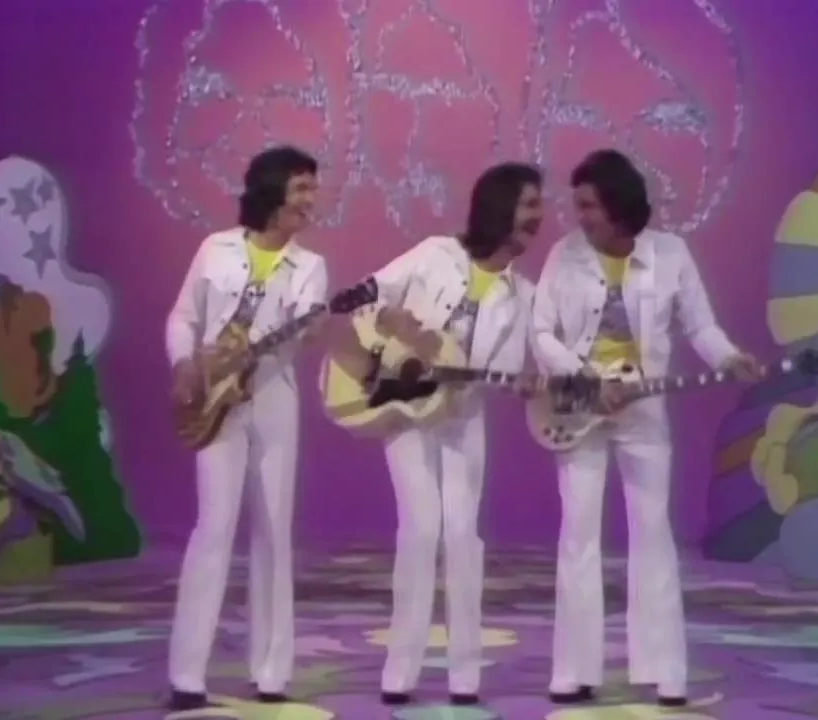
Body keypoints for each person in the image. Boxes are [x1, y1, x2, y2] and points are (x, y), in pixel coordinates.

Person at [531, 149, 760, 707]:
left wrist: (729, 357)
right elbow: (541, 332)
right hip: (579, 410)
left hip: (644, 412)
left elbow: (700, 326)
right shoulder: (565, 255)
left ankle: (665, 672)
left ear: (617, 205)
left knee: (653, 533)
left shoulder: (670, 254)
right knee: (578, 535)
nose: (580, 216)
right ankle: (574, 672)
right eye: (577, 205)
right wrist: (586, 379)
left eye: (589, 205)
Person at [359, 162, 543, 707]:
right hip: (406, 411)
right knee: (421, 529)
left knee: (463, 535)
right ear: (500, 206)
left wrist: (523, 382)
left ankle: (465, 675)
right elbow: (372, 294)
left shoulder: (524, 295)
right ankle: (400, 671)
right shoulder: (435, 254)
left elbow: (505, 369)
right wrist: (395, 329)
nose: (539, 217)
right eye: (530, 205)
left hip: (463, 417)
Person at [164, 146, 328, 715]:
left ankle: (271, 672)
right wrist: (184, 364)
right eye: (301, 188)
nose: (310, 200)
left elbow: (303, 330)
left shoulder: (310, 267)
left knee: (273, 531)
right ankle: (187, 675)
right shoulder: (216, 249)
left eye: (313, 189)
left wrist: (304, 329)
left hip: (274, 405)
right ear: (271, 190)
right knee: (213, 527)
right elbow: (183, 316)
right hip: (216, 402)